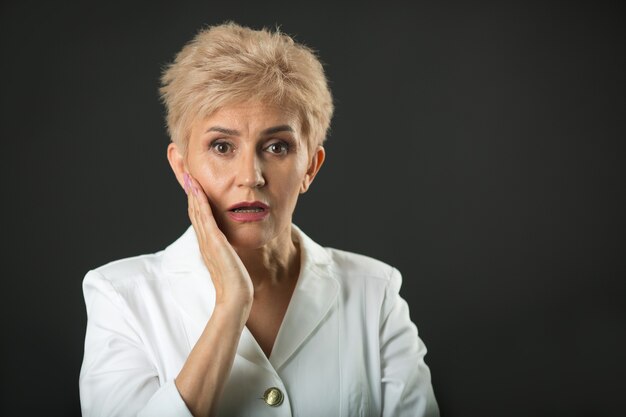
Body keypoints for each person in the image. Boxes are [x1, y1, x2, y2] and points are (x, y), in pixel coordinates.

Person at [79, 22, 439, 417]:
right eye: (221, 146)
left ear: (310, 168)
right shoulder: (121, 296)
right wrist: (230, 306)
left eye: (276, 146)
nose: (251, 175)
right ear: (182, 167)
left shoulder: (375, 292)